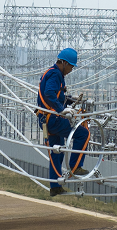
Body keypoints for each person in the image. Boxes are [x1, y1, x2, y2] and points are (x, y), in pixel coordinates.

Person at [36, 47, 90, 196]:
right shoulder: (55, 74)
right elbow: (49, 94)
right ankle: (75, 166)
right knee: (83, 134)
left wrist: (69, 101)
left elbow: (56, 95)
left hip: (46, 119)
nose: (71, 70)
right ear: (64, 63)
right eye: (71, 66)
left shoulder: (52, 73)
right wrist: (61, 110)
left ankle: (55, 187)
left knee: (57, 152)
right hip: (53, 119)